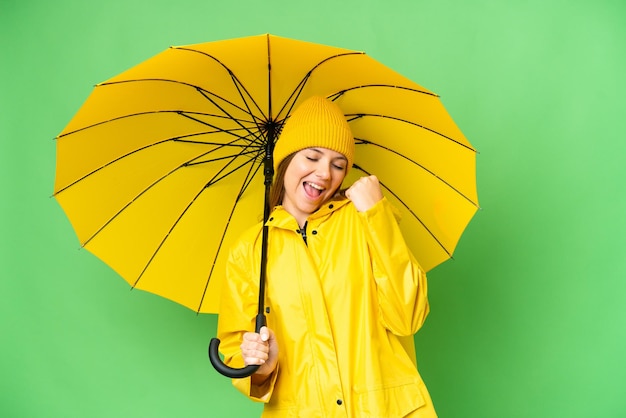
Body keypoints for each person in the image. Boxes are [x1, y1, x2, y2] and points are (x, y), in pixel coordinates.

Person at [216, 96, 437, 417]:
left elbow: (409, 316)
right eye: (312, 157)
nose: (324, 173)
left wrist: (378, 215)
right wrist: (263, 365)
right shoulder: (250, 249)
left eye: (338, 164)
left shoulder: (365, 219)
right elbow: (237, 351)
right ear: (286, 160)